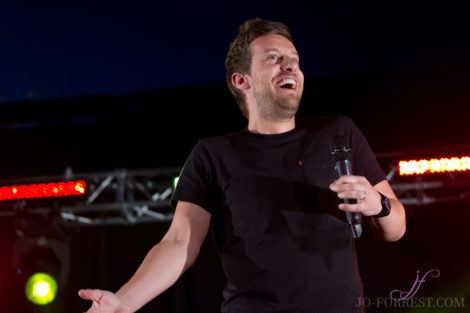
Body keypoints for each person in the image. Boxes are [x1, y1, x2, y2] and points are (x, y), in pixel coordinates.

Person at [79, 18, 406, 313]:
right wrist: (123, 302)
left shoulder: (338, 133)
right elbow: (179, 242)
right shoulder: (214, 155)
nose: (289, 67)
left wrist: (379, 205)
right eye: (274, 59)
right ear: (241, 80)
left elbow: (396, 227)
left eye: (294, 60)